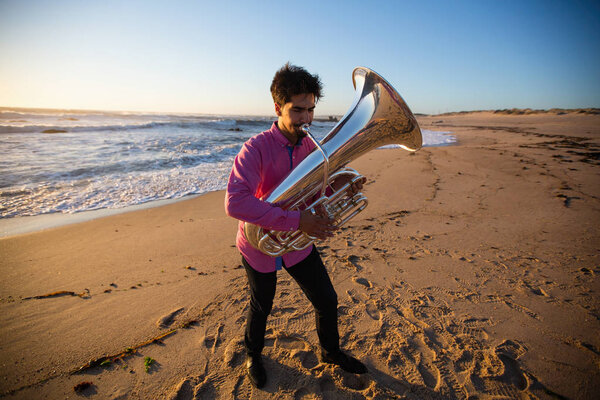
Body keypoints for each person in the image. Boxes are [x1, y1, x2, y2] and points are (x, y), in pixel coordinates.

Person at [225, 63, 367, 388]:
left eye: (311, 110)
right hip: (260, 244)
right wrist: (298, 220)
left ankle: (331, 351)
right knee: (262, 305)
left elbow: (317, 192)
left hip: (297, 244)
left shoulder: (311, 148)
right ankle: (253, 354)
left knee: (327, 300)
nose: (306, 118)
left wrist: (342, 183)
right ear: (278, 107)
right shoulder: (256, 148)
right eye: (298, 110)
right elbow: (235, 202)